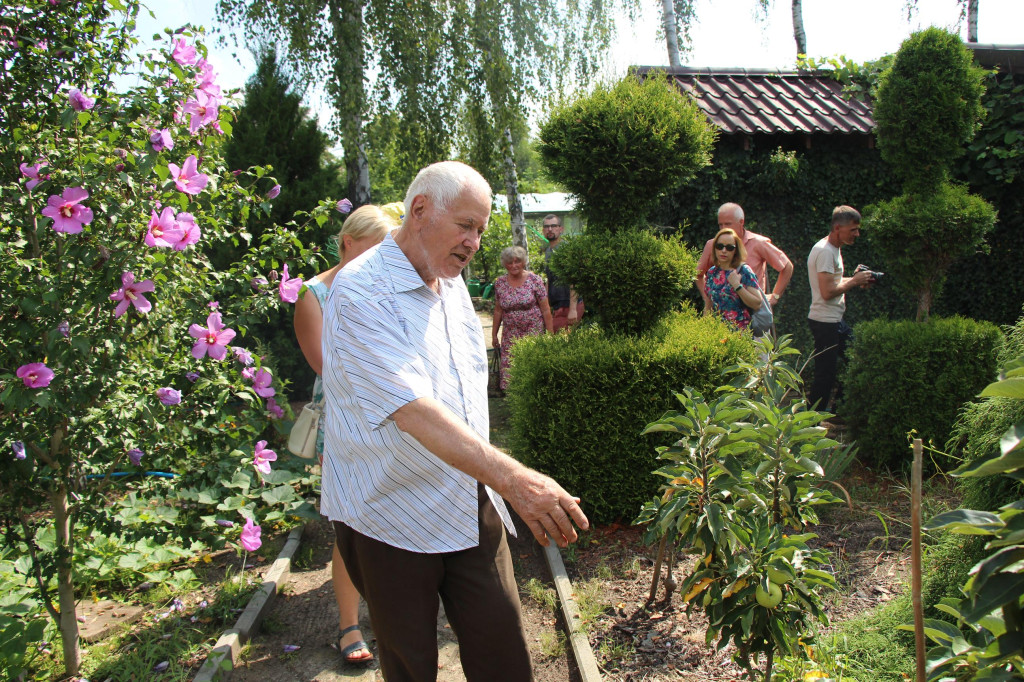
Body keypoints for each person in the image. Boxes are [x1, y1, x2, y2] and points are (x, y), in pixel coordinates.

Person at [320, 161, 589, 682]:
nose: (474, 241)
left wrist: (495, 482)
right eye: (466, 225)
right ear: (420, 210)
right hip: (388, 511)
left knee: (503, 648)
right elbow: (413, 408)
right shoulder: (358, 292)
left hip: (468, 499)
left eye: (481, 230)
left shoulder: (454, 283)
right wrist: (515, 479)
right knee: (410, 662)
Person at [293, 204, 398, 665]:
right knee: (352, 525)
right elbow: (325, 367)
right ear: (347, 243)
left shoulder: (386, 286)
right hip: (343, 421)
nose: (381, 262)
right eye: (374, 250)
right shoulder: (314, 295)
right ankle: (348, 626)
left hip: (396, 417)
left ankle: (394, 610)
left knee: (392, 512)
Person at [806, 205, 875, 412]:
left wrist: (854, 279)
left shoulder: (833, 248)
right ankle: (810, 422)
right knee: (825, 374)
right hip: (825, 321)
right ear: (838, 228)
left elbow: (831, 282)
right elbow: (827, 292)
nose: (857, 234)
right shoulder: (825, 251)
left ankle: (838, 411)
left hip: (833, 320)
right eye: (853, 229)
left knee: (858, 358)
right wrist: (854, 282)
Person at [697, 203, 793, 313]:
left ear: (741, 222)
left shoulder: (758, 243)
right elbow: (698, 274)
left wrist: (775, 296)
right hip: (722, 314)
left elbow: (786, 266)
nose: (723, 228)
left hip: (753, 313)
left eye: (728, 224)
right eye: (720, 225)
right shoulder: (713, 245)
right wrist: (708, 298)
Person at [491, 245, 553, 391]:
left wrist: (550, 335)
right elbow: (498, 310)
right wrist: (494, 334)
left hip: (533, 331)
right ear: (505, 264)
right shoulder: (500, 283)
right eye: (510, 262)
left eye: (517, 261)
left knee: (532, 367)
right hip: (510, 334)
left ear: (523, 262)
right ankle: (514, 403)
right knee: (511, 371)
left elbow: (545, 309)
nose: (513, 265)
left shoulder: (535, 280)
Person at [702, 227, 763, 331]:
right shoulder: (712, 272)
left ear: (736, 251)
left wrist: (737, 286)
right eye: (719, 246)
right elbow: (708, 306)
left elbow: (757, 303)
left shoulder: (743, 271)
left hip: (740, 337)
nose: (723, 251)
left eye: (729, 247)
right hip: (717, 335)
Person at [541, 214, 584, 331]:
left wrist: (573, 309)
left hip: (569, 306)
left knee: (563, 342)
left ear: (561, 229)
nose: (550, 229)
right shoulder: (548, 251)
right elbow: (550, 279)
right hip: (557, 306)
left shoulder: (566, 249)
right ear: (543, 230)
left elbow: (573, 279)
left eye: (554, 226)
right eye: (547, 226)